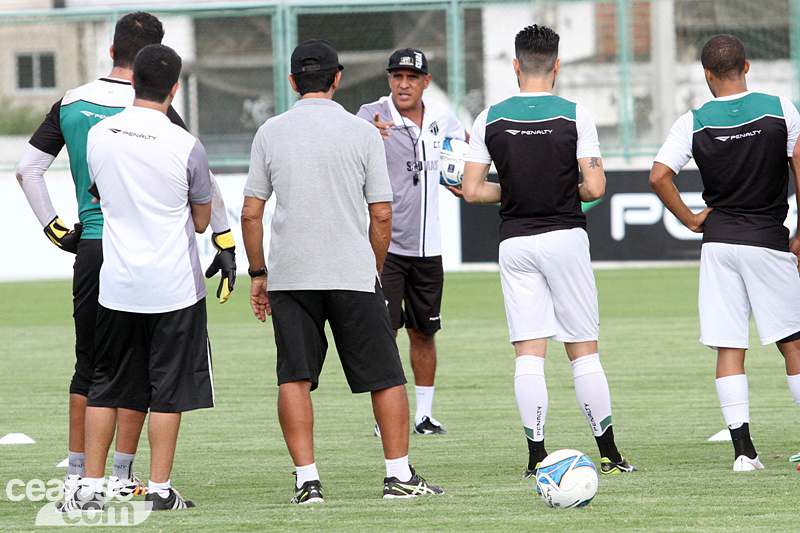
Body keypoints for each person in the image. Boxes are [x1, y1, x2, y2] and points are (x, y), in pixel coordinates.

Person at [15, 11, 235, 501]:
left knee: (93, 367)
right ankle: (125, 477)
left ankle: (78, 479)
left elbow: (29, 169)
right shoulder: (168, 122)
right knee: (152, 374)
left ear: (112, 52)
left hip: (97, 250)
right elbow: (203, 185)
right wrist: (223, 240)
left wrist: (56, 229)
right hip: (160, 266)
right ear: (167, 78)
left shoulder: (73, 107)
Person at [242, 39, 443, 503]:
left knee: (294, 377)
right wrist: (371, 267)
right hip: (353, 272)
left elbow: (251, 213)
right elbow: (383, 215)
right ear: (337, 79)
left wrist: (259, 272)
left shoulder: (270, 132)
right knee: (386, 376)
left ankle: (307, 481)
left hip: (292, 276)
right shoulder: (362, 132)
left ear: (292, 81)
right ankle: (398, 476)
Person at [461, 24, 635, 477]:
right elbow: (595, 186)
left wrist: (518, 189)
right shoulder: (576, 114)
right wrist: (553, 190)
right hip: (564, 238)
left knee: (528, 355)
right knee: (584, 352)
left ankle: (536, 455)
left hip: (515, 242)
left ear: (515, 66)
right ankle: (610, 455)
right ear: (556, 66)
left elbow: (473, 190)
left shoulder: (489, 119)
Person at [59, 43, 214, 512]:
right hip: (174, 285)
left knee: (105, 381)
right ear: (175, 87)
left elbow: (100, 195)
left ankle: (87, 487)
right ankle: (161, 489)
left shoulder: (101, 135)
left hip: (118, 282)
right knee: (168, 389)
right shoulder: (185, 143)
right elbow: (203, 221)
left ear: (133, 82)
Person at [650, 34, 800, 471]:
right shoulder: (781, 108)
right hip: (767, 240)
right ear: (747, 67)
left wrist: (691, 218)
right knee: (792, 344)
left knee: (729, 347)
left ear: (707, 75)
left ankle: (744, 453)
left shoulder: (693, 121)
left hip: (718, 244)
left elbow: (659, 176)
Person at [356, 48, 468, 436]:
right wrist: (367, 134)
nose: (404, 84)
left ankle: (423, 415)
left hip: (429, 247)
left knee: (425, 331)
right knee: (385, 331)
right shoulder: (370, 114)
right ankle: (382, 416)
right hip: (384, 246)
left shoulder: (442, 116)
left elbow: (463, 148)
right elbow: (349, 149)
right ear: (389, 80)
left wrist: (460, 177)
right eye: (397, 76)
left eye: (412, 77)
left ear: (425, 82)